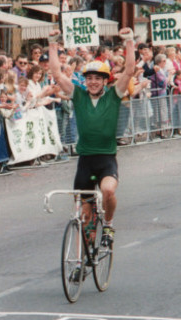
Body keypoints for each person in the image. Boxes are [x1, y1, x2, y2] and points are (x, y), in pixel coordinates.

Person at [49, 27, 136, 250]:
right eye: (90, 78)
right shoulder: (78, 95)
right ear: (85, 80)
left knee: (107, 191)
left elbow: (129, 71)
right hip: (85, 161)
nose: (94, 82)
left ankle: (108, 224)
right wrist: (52, 44)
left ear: (105, 80)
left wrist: (129, 41)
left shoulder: (114, 95)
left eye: (98, 78)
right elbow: (58, 75)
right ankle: (82, 260)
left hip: (106, 158)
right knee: (84, 218)